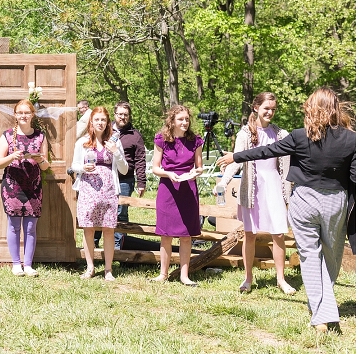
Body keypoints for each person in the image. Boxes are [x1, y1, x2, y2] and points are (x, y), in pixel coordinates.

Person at [217, 87, 355, 333]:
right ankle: (323, 313)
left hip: (303, 201)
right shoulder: (351, 139)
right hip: (335, 202)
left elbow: (267, 151)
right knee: (331, 257)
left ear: (312, 109)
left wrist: (236, 157)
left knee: (310, 257)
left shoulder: (299, 136)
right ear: (335, 108)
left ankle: (321, 314)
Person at [214, 92, 294, 294]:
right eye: (267, 108)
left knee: (278, 233)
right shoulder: (245, 134)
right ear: (256, 107)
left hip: (274, 185)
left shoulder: (281, 134)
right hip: (252, 188)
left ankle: (281, 279)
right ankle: (248, 278)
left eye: (273, 109)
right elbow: (235, 162)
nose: (270, 112)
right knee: (249, 234)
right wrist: (223, 182)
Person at [0, 99, 50, 277]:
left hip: (33, 188)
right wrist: (12, 157)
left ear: (33, 114)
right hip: (13, 187)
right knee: (13, 226)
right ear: (15, 115)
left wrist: (40, 158)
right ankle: (16, 264)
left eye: (27, 112)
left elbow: (45, 166)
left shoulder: (40, 136)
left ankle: (28, 265)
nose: (24, 116)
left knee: (30, 228)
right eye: (20, 113)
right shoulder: (7, 135)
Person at [71, 106, 128, 280]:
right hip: (88, 190)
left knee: (108, 229)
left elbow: (124, 170)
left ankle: (108, 269)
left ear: (107, 122)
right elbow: (74, 165)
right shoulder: (82, 142)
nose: (100, 123)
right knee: (88, 229)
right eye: (97, 119)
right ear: (91, 122)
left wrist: (116, 153)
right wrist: (83, 168)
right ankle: (90, 267)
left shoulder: (114, 142)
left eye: (103, 120)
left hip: (109, 191)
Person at [150, 105, 204, 286]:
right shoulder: (161, 139)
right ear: (172, 121)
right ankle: (163, 274)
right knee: (166, 234)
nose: (184, 122)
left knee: (186, 235)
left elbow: (199, 167)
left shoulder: (196, 140)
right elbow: (155, 168)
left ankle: (184, 275)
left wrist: (196, 173)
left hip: (188, 188)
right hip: (168, 188)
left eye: (187, 119)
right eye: (180, 119)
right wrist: (168, 174)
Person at [98, 101, 147, 250]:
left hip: (125, 179)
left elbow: (140, 160)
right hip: (105, 177)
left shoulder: (135, 136)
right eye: (120, 114)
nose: (123, 117)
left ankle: (119, 248)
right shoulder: (105, 130)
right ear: (115, 115)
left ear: (129, 116)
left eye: (126, 115)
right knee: (100, 209)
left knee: (121, 212)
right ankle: (94, 245)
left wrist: (141, 183)